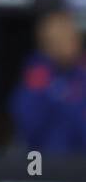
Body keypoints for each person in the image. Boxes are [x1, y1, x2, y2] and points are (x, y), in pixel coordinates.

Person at [10, 12, 86, 153]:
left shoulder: (82, 72)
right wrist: (58, 95)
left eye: (72, 36)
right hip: (42, 161)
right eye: (60, 38)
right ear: (47, 44)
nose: (70, 43)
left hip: (80, 162)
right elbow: (28, 125)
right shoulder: (36, 74)